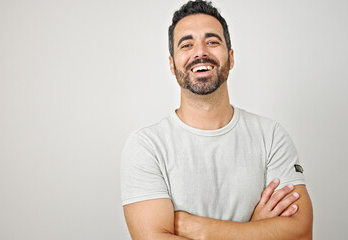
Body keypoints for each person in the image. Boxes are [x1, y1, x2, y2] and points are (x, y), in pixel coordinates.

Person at [120, 0, 313, 239]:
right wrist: (255, 229)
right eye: (186, 44)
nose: (200, 52)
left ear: (231, 58)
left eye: (212, 42)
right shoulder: (146, 146)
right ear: (172, 64)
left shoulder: (271, 136)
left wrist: (197, 228)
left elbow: (300, 233)